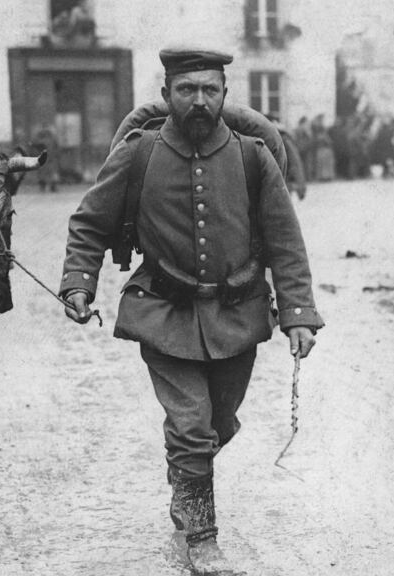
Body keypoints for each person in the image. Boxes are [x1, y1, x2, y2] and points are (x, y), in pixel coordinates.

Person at [58, 47, 323, 575]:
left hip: (237, 313)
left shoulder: (253, 156)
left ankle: (185, 479)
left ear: (224, 95)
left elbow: (285, 240)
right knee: (192, 427)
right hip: (164, 310)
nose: (198, 100)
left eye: (208, 89)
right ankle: (203, 539)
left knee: (219, 423)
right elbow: (89, 222)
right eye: (186, 90)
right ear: (167, 96)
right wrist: (78, 284)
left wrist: (296, 312)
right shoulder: (139, 153)